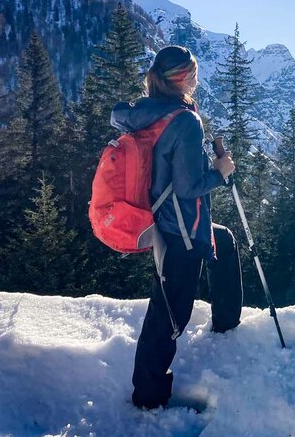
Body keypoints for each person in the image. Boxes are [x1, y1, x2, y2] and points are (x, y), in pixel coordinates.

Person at [110, 45, 242, 410]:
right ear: (182, 78)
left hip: (166, 219)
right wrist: (220, 172)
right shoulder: (184, 121)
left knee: (225, 243)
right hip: (181, 228)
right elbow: (188, 187)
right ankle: (148, 399)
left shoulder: (150, 111)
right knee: (170, 315)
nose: (198, 80)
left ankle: (227, 326)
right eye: (194, 74)